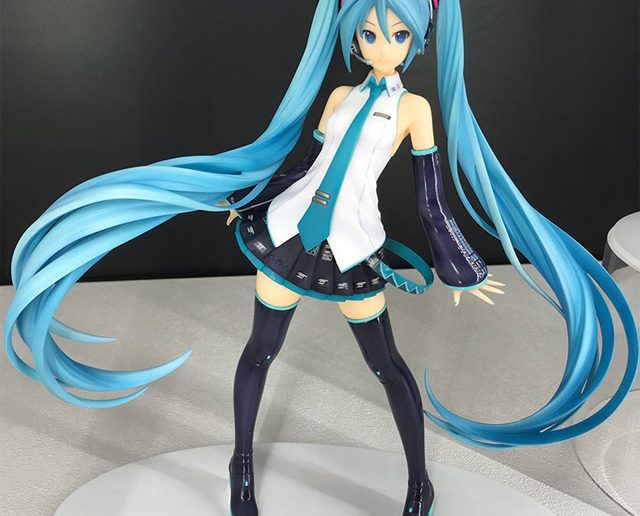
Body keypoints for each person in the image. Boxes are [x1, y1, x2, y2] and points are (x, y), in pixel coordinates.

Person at [4, 1, 638, 515]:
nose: (380, 45)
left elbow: (430, 199)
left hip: (352, 246)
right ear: (353, 37)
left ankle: (419, 481)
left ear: (417, 39)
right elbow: (306, 165)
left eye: (396, 34)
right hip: (287, 233)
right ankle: (241, 464)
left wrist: (461, 268)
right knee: (260, 351)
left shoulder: (414, 110)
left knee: (387, 366)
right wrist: (252, 199)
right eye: (368, 33)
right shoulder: (338, 97)